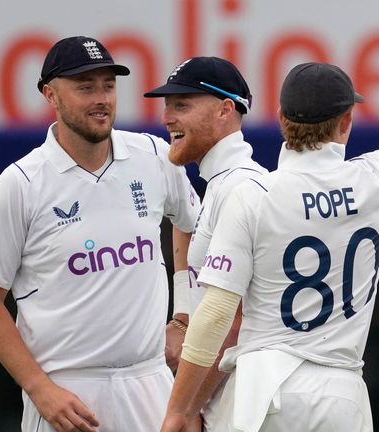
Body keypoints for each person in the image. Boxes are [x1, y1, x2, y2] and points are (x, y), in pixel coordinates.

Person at [160, 5, 379, 432]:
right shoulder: (378, 180)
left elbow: (217, 313)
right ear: (346, 122)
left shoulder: (253, 195)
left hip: (266, 393)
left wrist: (179, 411)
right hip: (341, 397)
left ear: (280, 120)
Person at [0, 36, 199, 432]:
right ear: (50, 95)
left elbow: (193, 225)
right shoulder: (20, 184)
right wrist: (38, 388)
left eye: (108, 85)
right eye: (85, 87)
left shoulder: (153, 155)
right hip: (68, 395)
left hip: (151, 381)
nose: (101, 98)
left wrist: (184, 315)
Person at [144, 56, 269, 431]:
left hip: (241, 406)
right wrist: (182, 313)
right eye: (167, 106)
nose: (167, 117)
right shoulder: (221, 184)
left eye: (182, 105)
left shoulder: (239, 188)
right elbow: (183, 224)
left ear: (225, 111)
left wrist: (184, 410)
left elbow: (232, 320)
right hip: (232, 401)